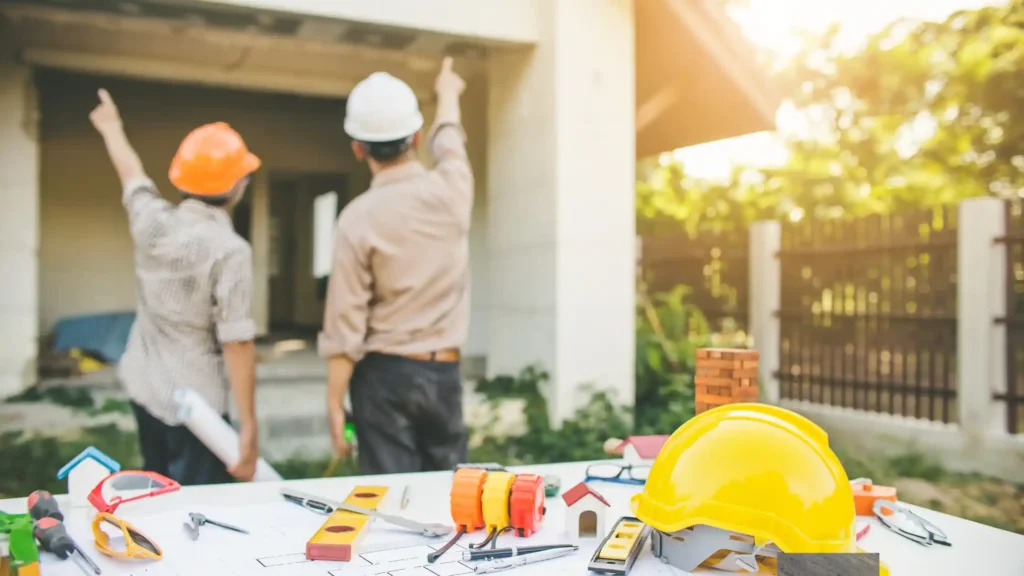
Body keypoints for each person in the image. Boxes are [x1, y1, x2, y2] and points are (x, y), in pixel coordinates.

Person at [89, 89, 261, 484]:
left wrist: (112, 128)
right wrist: (248, 427)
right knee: (200, 504)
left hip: (145, 385)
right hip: (197, 405)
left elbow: (132, 176)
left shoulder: (151, 222)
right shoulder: (231, 250)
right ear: (236, 186)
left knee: (158, 486)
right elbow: (237, 342)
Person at [319, 57, 472, 474]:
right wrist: (448, 93)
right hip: (444, 374)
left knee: (391, 507)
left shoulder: (356, 218)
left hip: (382, 378)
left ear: (358, 148)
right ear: (417, 136)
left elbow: (345, 325)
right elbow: (450, 139)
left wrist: (334, 403)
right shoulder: (454, 190)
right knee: (452, 501)